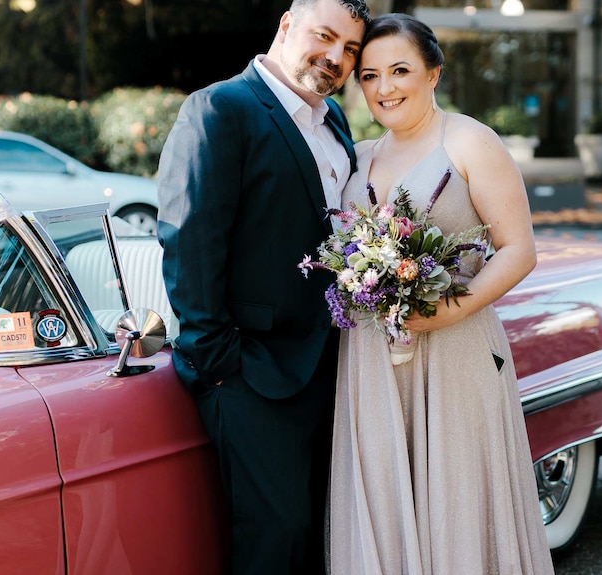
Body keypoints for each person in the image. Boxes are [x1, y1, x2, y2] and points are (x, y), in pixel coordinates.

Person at [327, 13, 556, 575]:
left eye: (401, 70)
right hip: (373, 361)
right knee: (383, 488)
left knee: (457, 495)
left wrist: (446, 309)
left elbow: (518, 250)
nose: (385, 88)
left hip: (456, 351)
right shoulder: (359, 156)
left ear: (433, 73)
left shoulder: (471, 141)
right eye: (371, 75)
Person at [156, 1, 370, 574]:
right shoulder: (220, 109)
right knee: (273, 537)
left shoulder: (335, 122)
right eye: (324, 37)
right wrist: (219, 362)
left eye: (350, 49)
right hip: (249, 373)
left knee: (317, 534)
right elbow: (188, 243)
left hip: (329, 366)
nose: (335, 57)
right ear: (285, 26)